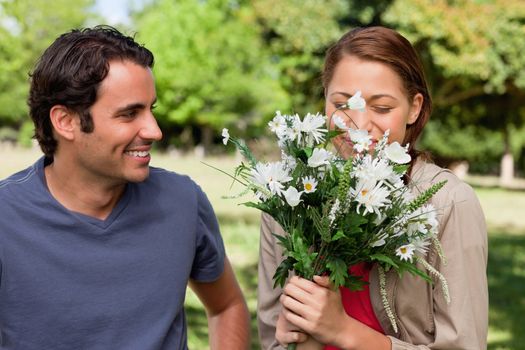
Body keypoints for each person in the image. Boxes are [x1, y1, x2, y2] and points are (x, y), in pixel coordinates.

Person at [0, 25, 250, 349]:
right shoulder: (5, 220)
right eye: (129, 113)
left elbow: (227, 306)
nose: (154, 131)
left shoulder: (184, 201)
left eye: (151, 109)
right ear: (65, 121)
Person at [257, 26, 488, 349]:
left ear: (415, 107)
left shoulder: (449, 203)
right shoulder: (290, 197)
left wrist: (343, 332)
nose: (360, 125)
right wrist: (289, 338)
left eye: (381, 108)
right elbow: (272, 335)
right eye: (342, 104)